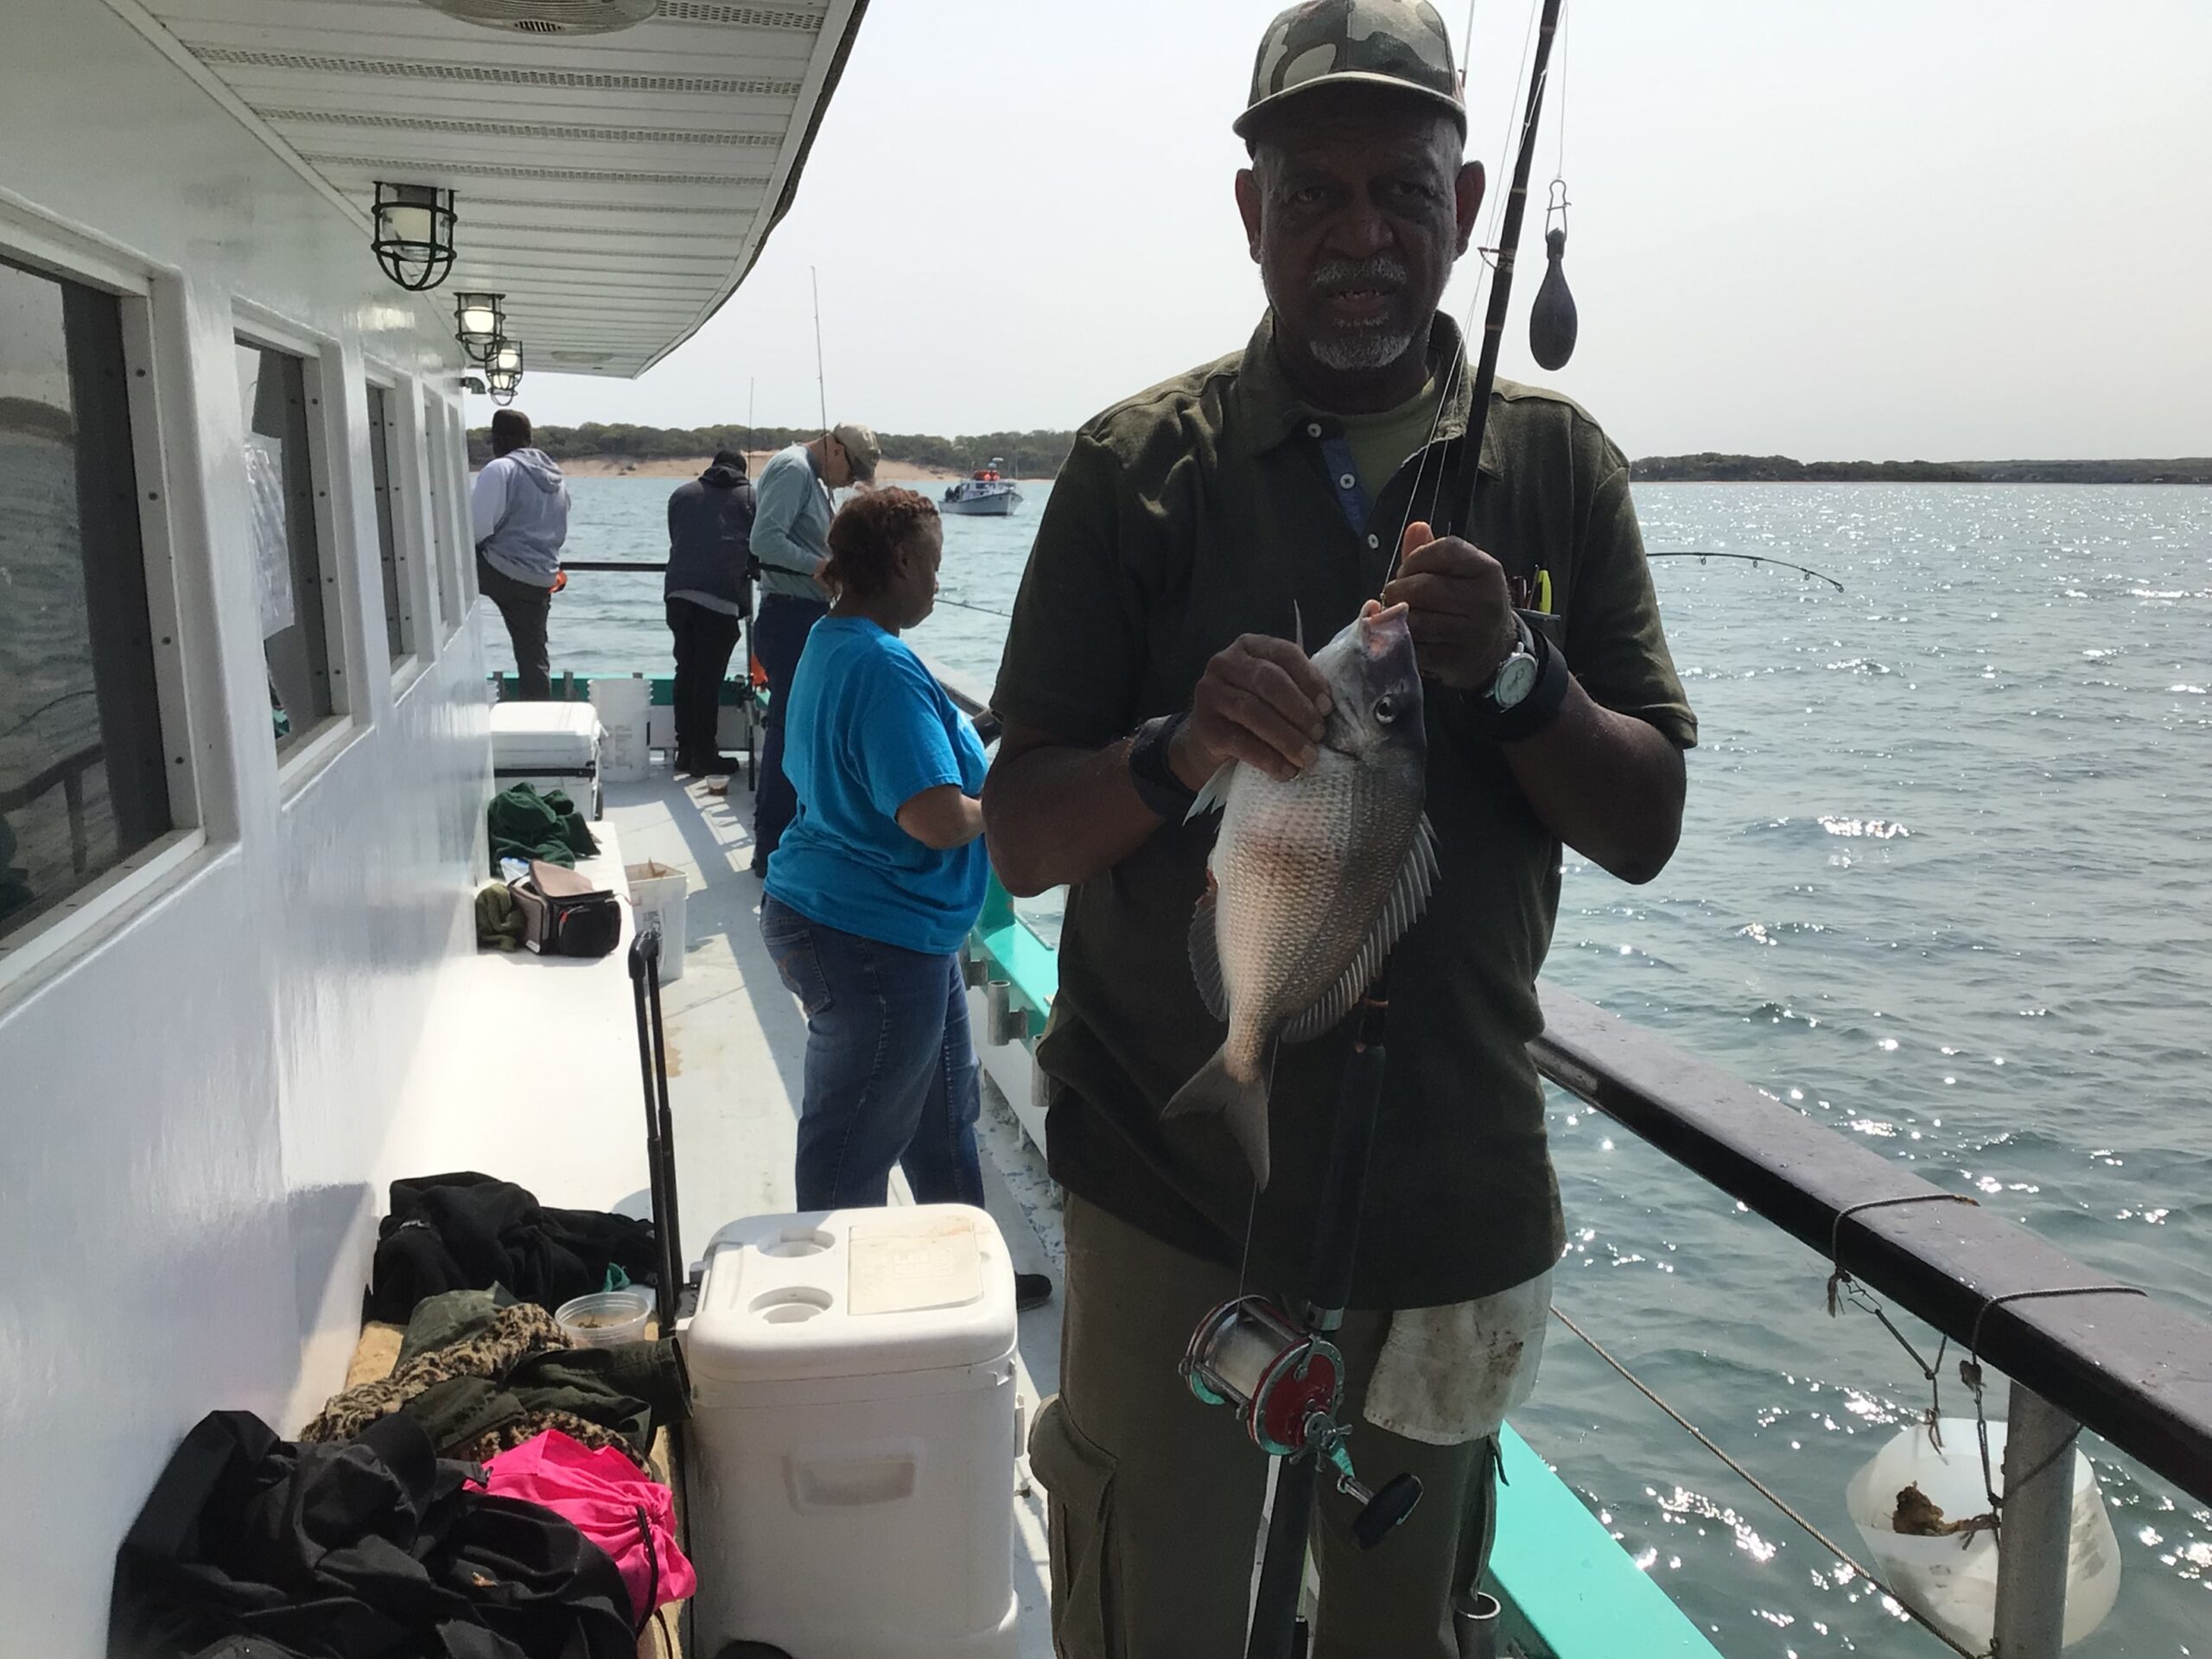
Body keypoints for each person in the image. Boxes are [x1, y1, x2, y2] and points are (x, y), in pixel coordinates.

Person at [981, 3, 1695, 1654]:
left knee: (1402, 1626)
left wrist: (1518, 676)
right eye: (1314, 194)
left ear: (1472, 201)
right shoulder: (1135, 470)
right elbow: (1018, 834)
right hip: (1174, 1197)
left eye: (1405, 189)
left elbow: (1646, 818)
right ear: (1251, 215)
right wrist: (1176, 751)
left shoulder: (1561, 473)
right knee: (1159, 1606)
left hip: (1451, 1199)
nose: (1362, 236)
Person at [759, 488, 1050, 1308]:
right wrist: (1019, 802)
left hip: (882, 928)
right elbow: (931, 817)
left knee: (941, 1123)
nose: (935, 584)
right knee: (853, 1138)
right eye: (932, 565)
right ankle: (831, 1303)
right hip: (870, 939)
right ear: (896, 563)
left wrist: (988, 727)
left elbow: (892, 762)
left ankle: (968, 1275)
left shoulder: (835, 638)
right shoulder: (883, 665)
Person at [747, 421, 881, 875]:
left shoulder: (808, 474)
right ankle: (771, 849)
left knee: (799, 729)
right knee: (791, 731)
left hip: (799, 615)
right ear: (836, 449)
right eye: (852, 471)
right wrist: (819, 566)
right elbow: (764, 539)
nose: (849, 482)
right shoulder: (794, 468)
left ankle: (784, 844)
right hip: (789, 616)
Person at [664, 448, 757, 775]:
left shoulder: (681, 494)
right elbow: (757, 549)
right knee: (708, 678)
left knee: (685, 670)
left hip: (677, 594)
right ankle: (704, 754)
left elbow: (678, 538)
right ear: (742, 471)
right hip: (720, 597)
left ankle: (684, 751)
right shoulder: (751, 498)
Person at [470, 408, 569, 700]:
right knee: (533, 658)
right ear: (529, 439)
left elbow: (476, 529)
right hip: (540, 578)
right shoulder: (557, 477)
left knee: (440, 569)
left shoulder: (500, 469)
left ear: (495, 439)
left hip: (500, 571)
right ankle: (538, 721)